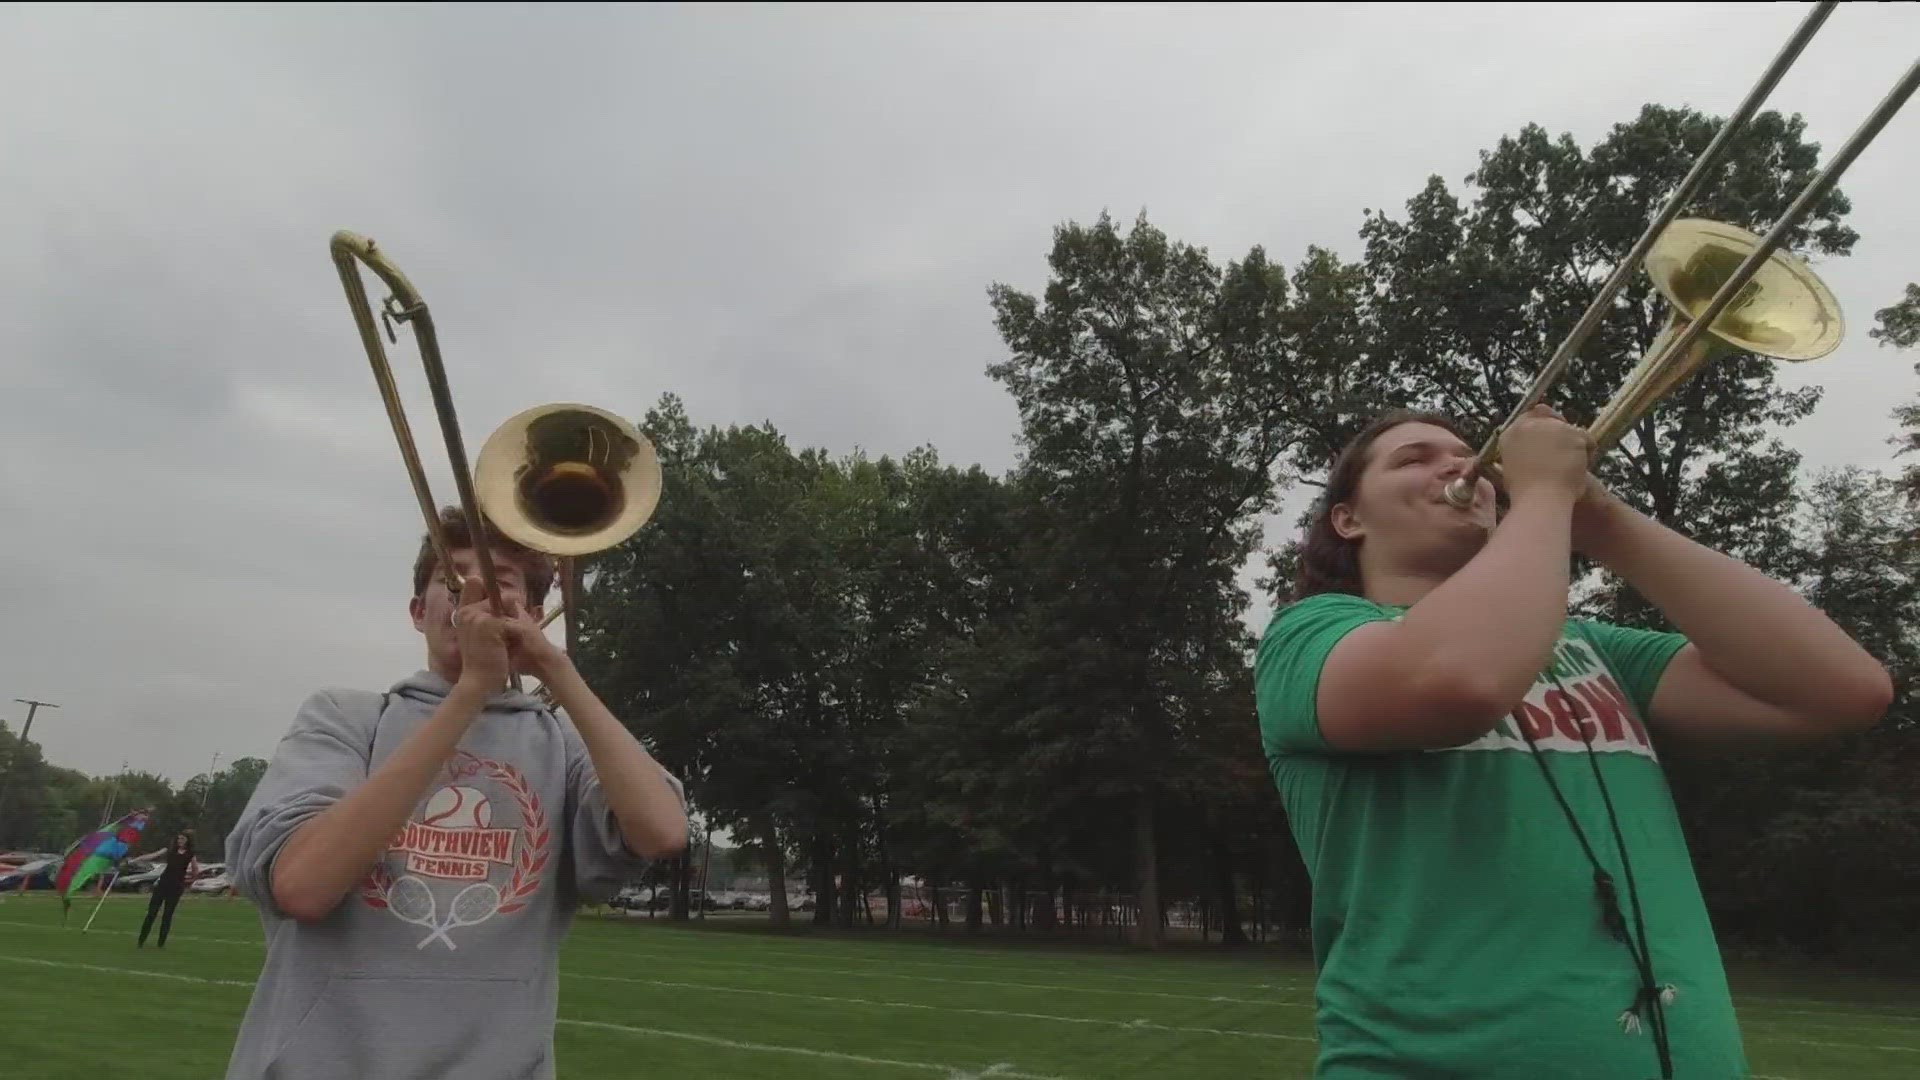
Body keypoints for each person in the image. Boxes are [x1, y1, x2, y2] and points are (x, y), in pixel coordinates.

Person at [1255, 406, 1891, 1080]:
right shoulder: (1309, 636)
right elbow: (1461, 679)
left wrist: (1605, 521)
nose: (1456, 465)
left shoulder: (1595, 650)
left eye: (1466, 452)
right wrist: (1547, 497)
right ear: (1348, 520)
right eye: (1414, 457)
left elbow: (1844, 690)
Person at [223, 506, 690, 1080]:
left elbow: (664, 830)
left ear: (535, 614)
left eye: (498, 580)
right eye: (452, 578)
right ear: (419, 612)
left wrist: (556, 669)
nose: (471, 592)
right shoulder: (345, 716)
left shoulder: (562, 742)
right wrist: (471, 689)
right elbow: (302, 886)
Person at [137, 829, 197, 948]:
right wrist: (136, 859)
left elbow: (195, 870)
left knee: (167, 915)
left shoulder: (190, 854)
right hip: (163, 884)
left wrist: (189, 881)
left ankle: (161, 943)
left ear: (188, 841)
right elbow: (152, 855)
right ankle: (141, 940)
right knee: (151, 913)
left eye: (183, 839)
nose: (180, 841)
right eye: (179, 838)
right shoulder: (169, 850)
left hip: (176, 887)